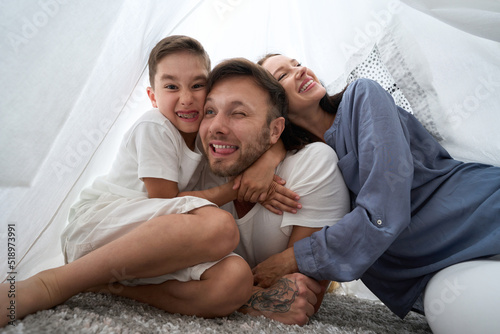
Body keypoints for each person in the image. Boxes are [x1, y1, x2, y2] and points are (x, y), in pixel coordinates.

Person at [0, 37, 298, 328]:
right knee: (219, 226)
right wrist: (239, 188)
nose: (186, 97)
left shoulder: (209, 140)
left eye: (197, 85)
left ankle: (105, 287)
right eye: (171, 87)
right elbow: (165, 201)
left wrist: (268, 160)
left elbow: (269, 132)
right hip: (101, 229)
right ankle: (54, 284)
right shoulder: (155, 126)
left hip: (151, 253)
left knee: (236, 279)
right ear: (153, 97)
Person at [86, 57, 351, 326]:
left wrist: (237, 291)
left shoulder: (313, 165)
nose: (216, 128)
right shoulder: (201, 161)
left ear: (275, 129)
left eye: (238, 113)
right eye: (210, 112)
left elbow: (302, 297)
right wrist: (250, 296)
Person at [252, 53, 500, 333]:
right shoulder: (308, 166)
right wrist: (268, 158)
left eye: (297, 63)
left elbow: (384, 210)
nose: (300, 70)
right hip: (438, 268)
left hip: (480, 209)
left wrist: (294, 258)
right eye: (283, 75)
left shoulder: (362, 96)